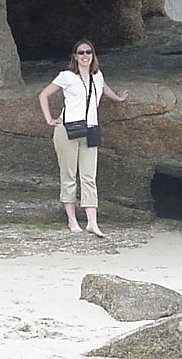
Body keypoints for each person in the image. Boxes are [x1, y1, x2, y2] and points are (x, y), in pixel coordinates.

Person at [38, 39, 129, 237]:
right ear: (75, 56)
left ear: (93, 55)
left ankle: (92, 222)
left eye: (88, 52)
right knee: (69, 175)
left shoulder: (97, 76)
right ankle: (72, 220)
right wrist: (49, 119)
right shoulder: (67, 76)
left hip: (90, 129)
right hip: (68, 128)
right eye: (81, 53)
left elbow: (104, 89)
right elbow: (43, 95)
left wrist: (118, 98)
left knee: (89, 176)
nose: (85, 56)